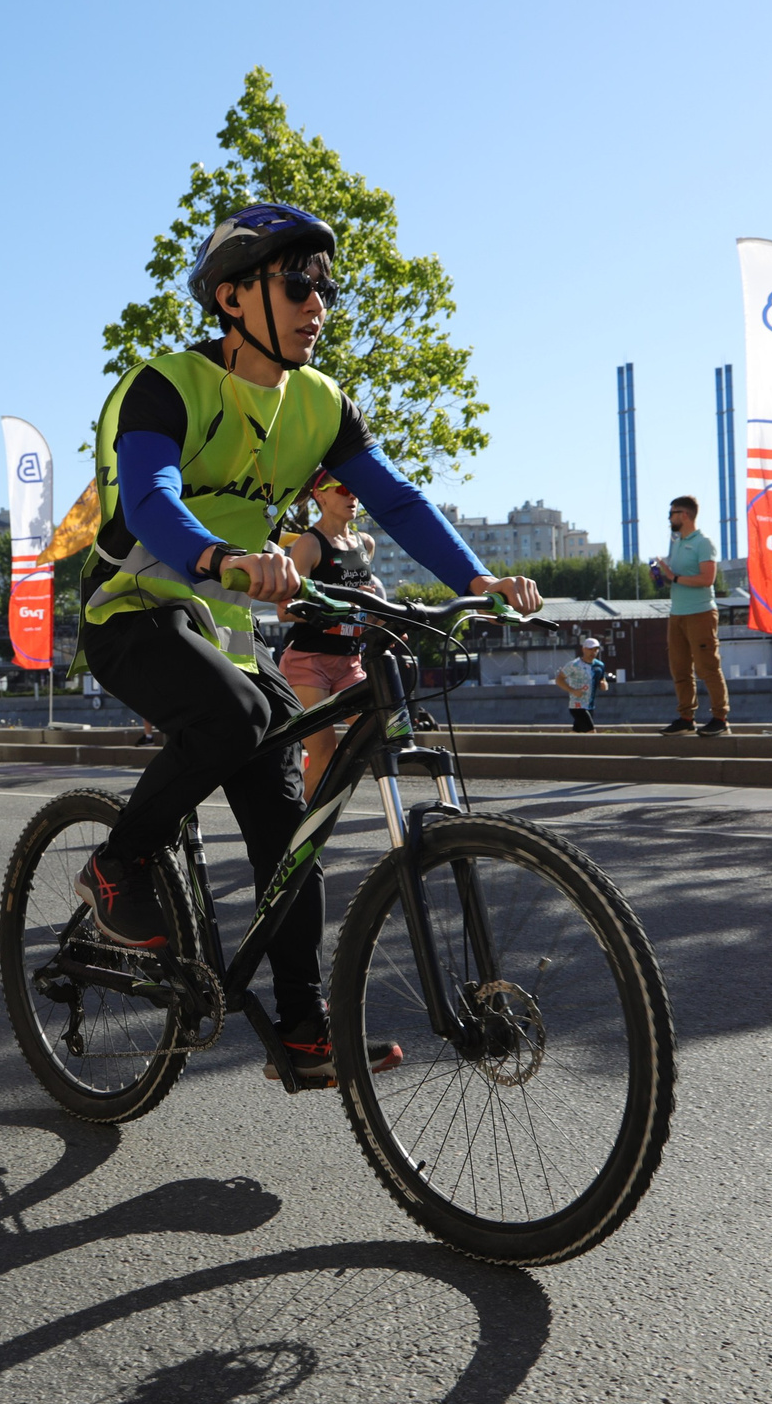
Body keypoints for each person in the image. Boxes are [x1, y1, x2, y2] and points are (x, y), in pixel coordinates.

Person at [72, 201, 542, 1086]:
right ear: (231, 296)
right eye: (296, 281)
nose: (317, 300)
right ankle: (117, 861)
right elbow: (148, 498)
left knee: (294, 831)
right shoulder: (165, 386)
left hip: (229, 632)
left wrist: (475, 582)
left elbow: (397, 502)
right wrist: (220, 556)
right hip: (132, 611)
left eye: (326, 285)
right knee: (239, 711)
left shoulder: (320, 404)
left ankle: (302, 1029)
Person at [274, 468, 384, 801]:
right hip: (310, 661)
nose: (352, 496)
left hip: (351, 661)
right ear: (321, 496)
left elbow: (368, 602)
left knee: (377, 732)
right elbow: (284, 609)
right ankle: (293, 829)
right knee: (323, 754)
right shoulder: (308, 544)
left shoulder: (365, 543)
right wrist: (338, 601)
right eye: (344, 490)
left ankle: (318, 809)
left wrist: (381, 615)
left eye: (355, 490)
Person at [656, 494, 730, 737]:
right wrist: (661, 576)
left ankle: (720, 717)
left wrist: (675, 577)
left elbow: (707, 579)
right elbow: (676, 578)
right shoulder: (675, 542)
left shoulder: (703, 543)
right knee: (680, 669)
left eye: (672, 514)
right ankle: (686, 717)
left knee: (707, 666)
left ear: (684, 515)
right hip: (677, 613)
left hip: (700, 612)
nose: (669, 519)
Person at [555, 636, 613, 733]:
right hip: (577, 705)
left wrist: (604, 684)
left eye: (596, 649)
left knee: (576, 732)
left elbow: (602, 679)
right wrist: (573, 691)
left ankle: (561, 746)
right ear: (583, 649)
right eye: (590, 649)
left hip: (590, 704)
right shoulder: (574, 665)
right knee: (591, 731)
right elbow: (559, 680)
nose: (593, 652)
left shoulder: (600, 665)